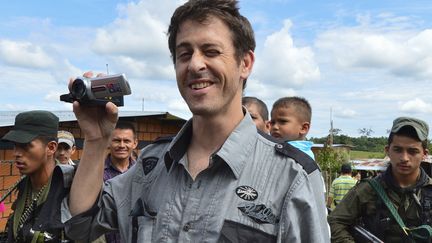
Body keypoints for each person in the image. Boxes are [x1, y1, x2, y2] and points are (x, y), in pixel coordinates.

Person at [63, 1, 329, 242]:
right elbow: (81, 226)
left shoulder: (292, 176)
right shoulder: (150, 165)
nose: (195, 64)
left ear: (245, 63)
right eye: (184, 54)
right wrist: (97, 141)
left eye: (211, 51)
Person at [328, 117, 432, 242]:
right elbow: (336, 220)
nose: (404, 158)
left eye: (412, 151)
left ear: (424, 154)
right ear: (387, 151)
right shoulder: (368, 189)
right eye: (398, 150)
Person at [1, 110, 75, 242]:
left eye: (25, 146)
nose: (16, 153)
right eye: (15, 146)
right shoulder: (25, 185)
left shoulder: (71, 188)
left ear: (51, 148)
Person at [103, 121, 138, 243]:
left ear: (135, 143)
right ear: (108, 142)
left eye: (127, 141)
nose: (122, 145)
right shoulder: (97, 173)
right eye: (117, 140)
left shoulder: (143, 173)